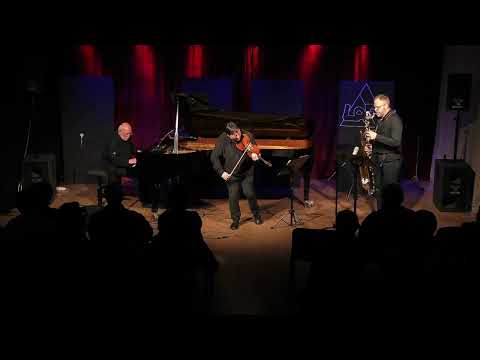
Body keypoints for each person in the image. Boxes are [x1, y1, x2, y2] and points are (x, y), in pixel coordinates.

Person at [210, 121, 263, 230]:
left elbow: (255, 149)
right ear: (228, 135)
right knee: (233, 197)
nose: (238, 136)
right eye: (234, 134)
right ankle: (235, 220)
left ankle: (257, 215)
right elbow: (214, 157)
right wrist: (221, 172)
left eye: (238, 131)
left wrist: (255, 155)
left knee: (250, 193)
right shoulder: (222, 140)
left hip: (247, 172)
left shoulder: (248, 135)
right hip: (232, 174)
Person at [364, 94, 403, 209]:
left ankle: (390, 218)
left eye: (378, 107)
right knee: (379, 191)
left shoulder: (395, 119)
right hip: (380, 160)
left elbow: (396, 142)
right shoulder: (382, 119)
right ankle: (381, 215)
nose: (375, 110)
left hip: (390, 162)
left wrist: (376, 136)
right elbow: (384, 140)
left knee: (390, 194)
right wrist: (372, 148)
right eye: (374, 107)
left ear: (386, 106)